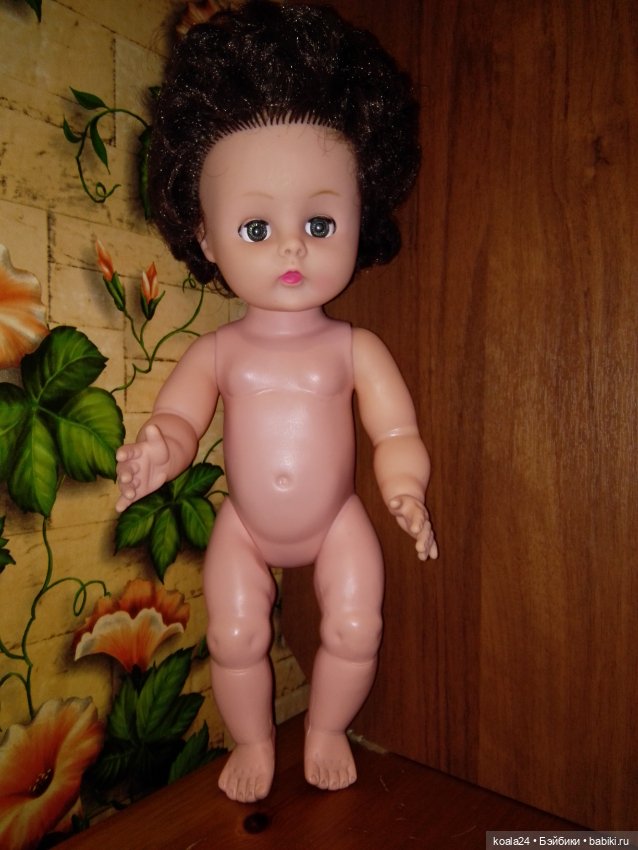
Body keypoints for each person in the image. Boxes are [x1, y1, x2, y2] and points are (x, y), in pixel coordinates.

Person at [115, 0, 437, 804]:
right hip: (246, 527)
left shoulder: (354, 348)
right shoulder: (219, 352)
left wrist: (404, 483)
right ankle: (256, 742)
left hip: (337, 521)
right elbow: (179, 419)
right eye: (256, 228)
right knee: (234, 636)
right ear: (206, 237)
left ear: (361, 214)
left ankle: (325, 729)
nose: (293, 244)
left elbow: (395, 427)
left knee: (357, 626)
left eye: (320, 221)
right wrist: (159, 451)